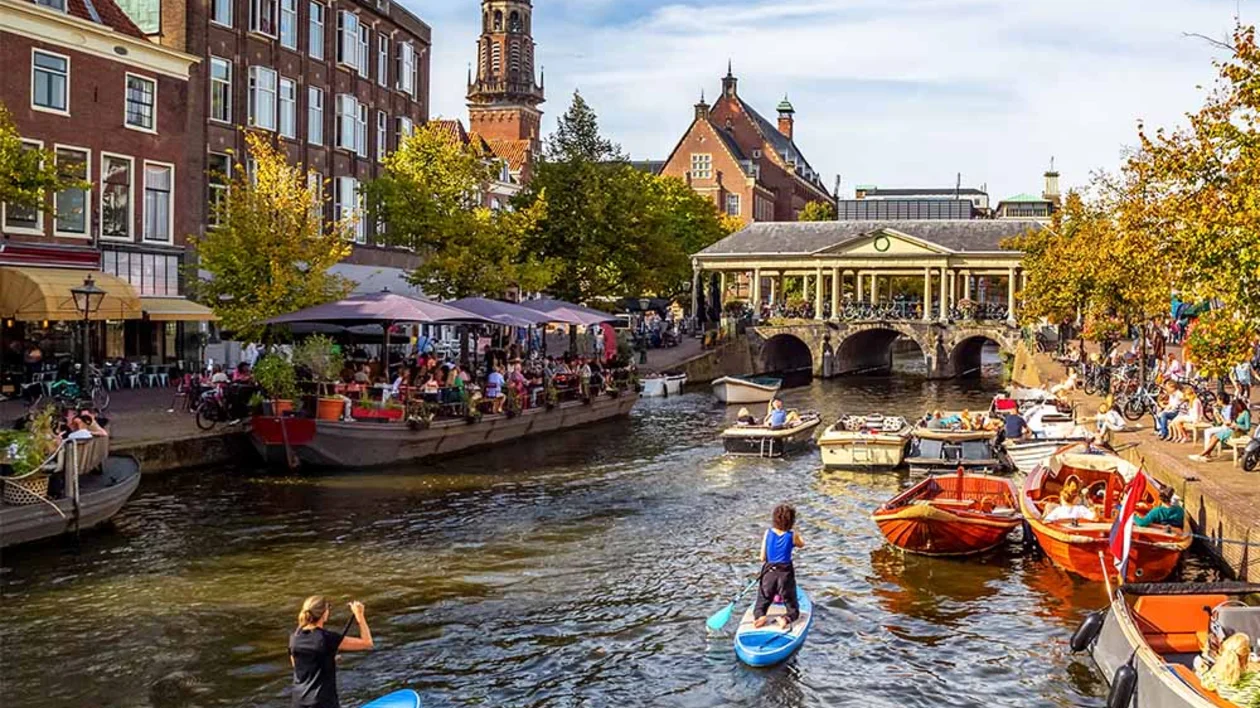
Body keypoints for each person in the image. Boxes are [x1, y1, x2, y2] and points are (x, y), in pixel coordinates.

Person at [289, 596, 373, 708]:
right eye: (328, 607)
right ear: (324, 613)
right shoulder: (327, 638)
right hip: (322, 702)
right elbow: (367, 643)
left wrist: (328, 659)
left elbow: (298, 666)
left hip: (298, 701)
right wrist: (360, 616)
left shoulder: (294, 638)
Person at [753, 504, 804, 630]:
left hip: (768, 573)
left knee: (761, 604)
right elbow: (802, 544)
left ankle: (760, 617)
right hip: (785, 574)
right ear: (792, 521)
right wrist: (796, 534)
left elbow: (762, 558)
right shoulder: (792, 535)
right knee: (793, 609)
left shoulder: (767, 533)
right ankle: (785, 618)